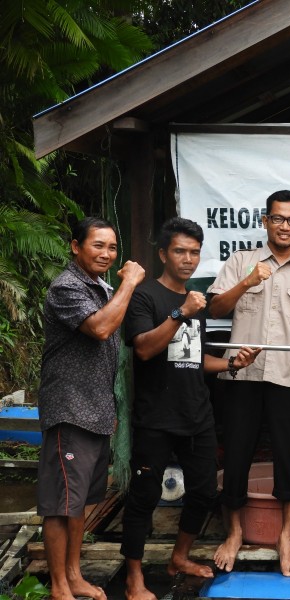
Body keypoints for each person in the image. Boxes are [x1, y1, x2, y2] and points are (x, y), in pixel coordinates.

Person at [120, 218, 259, 600]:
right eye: (180, 251)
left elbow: (194, 359)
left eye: (194, 252)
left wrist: (231, 363)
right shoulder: (146, 297)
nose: (188, 259)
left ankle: (179, 557)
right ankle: (133, 578)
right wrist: (180, 312)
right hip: (156, 417)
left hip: (196, 414)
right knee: (144, 496)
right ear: (163, 254)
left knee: (203, 491)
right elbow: (145, 348)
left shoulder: (194, 301)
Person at [208, 190, 290, 576]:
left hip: (287, 376)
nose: (285, 226)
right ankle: (234, 532)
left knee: (288, 456)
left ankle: (285, 537)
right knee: (236, 454)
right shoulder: (241, 261)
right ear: (265, 221)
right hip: (242, 374)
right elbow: (216, 308)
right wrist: (247, 282)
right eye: (278, 219)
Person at [37, 217, 145, 600]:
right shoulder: (67, 287)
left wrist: (108, 409)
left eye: (112, 247)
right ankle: (59, 587)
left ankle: (74, 575)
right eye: (98, 245)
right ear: (75, 246)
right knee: (59, 503)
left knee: (78, 502)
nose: (107, 254)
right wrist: (129, 283)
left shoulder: (100, 287)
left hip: (95, 411)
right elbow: (100, 329)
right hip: (69, 410)